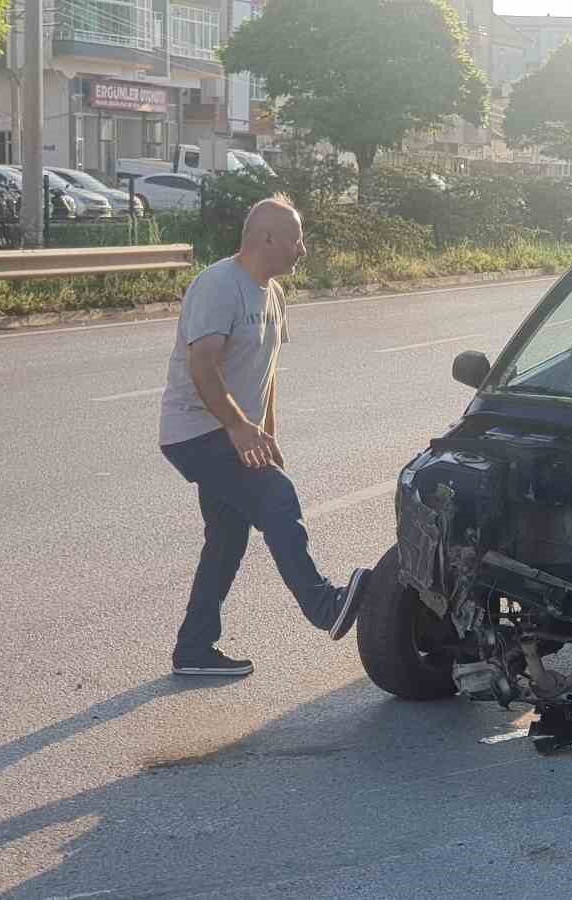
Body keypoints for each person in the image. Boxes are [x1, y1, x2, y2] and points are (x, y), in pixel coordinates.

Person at [158, 195, 370, 677]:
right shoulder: (219, 285)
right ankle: (323, 605)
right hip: (196, 430)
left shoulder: (272, 293)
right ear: (267, 238)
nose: (303, 249)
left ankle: (193, 650)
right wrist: (237, 426)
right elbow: (202, 365)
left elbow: (265, 373)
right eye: (297, 239)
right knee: (277, 497)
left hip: (232, 431)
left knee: (227, 538)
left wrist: (265, 432)